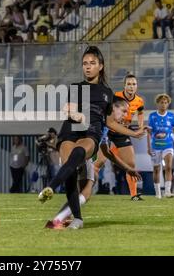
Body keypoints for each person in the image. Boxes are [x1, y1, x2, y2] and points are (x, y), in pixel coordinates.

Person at [38, 46, 145, 229]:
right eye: (85, 64)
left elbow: (111, 123)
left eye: (92, 63)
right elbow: (67, 109)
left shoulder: (107, 93)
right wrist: (77, 115)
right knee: (69, 169)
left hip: (91, 131)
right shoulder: (76, 87)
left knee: (79, 153)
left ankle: (51, 187)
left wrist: (133, 133)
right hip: (71, 128)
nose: (88, 67)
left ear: (101, 66)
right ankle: (76, 218)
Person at [45, 97, 142, 229]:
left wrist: (128, 169)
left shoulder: (104, 125)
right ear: (113, 107)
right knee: (87, 189)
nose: (126, 115)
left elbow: (106, 152)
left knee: (79, 188)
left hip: (75, 154)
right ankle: (61, 218)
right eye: (124, 111)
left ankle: (60, 218)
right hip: (77, 153)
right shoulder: (98, 118)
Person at [93, 74, 145, 201]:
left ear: (136, 86)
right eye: (129, 84)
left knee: (131, 164)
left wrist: (140, 126)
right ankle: (86, 190)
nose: (131, 87)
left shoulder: (139, 101)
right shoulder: (116, 97)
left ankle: (134, 195)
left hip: (122, 133)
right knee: (100, 162)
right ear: (124, 86)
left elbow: (140, 113)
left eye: (134, 84)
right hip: (109, 131)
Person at [147, 94, 174, 199]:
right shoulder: (152, 116)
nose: (163, 104)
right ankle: (158, 193)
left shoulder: (171, 116)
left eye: (166, 102)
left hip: (168, 145)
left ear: (168, 104)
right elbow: (149, 133)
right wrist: (148, 147)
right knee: (157, 169)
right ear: (157, 104)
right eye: (161, 102)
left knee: (168, 167)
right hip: (155, 146)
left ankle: (167, 191)